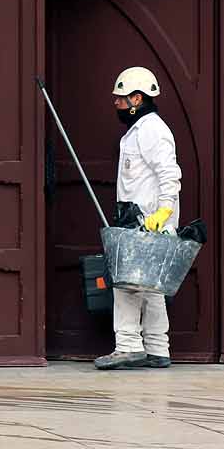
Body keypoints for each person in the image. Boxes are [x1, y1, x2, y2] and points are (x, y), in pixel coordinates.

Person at [94, 66, 181, 371]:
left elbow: (169, 174)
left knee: (127, 283)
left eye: (120, 98)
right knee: (150, 286)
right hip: (140, 218)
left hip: (149, 220)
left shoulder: (152, 131)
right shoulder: (140, 130)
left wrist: (164, 212)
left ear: (137, 98)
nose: (116, 103)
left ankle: (128, 346)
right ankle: (158, 348)